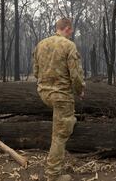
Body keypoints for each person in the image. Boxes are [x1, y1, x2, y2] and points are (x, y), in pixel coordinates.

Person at [33, 18, 85, 181]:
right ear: (68, 29)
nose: (72, 34)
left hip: (43, 93)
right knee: (59, 136)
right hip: (61, 96)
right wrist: (80, 90)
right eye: (71, 31)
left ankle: (69, 120)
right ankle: (53, 175)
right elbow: (75, 75)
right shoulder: (69, 46)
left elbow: (35, 71)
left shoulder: (41, 44)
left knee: (65, 121)